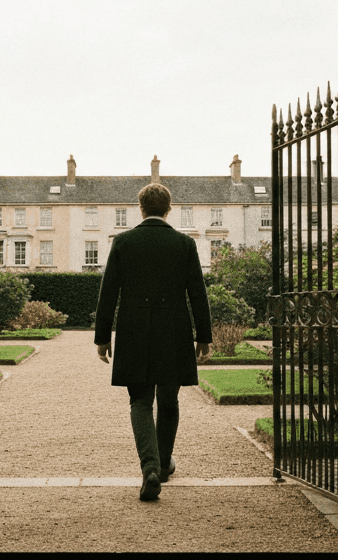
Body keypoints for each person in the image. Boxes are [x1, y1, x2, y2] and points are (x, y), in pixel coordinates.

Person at [95, 183, 212, 501]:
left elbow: (109, 294)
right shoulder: (184, 244)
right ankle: (161, 465)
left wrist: (103, 337)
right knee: (169, 399)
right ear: (169, 209)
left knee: (140, 400)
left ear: (141, 209)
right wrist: (204, 336)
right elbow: (197, 294)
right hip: (173, 328)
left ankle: (150, 467)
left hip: (134, 328)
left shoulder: (123, 241)